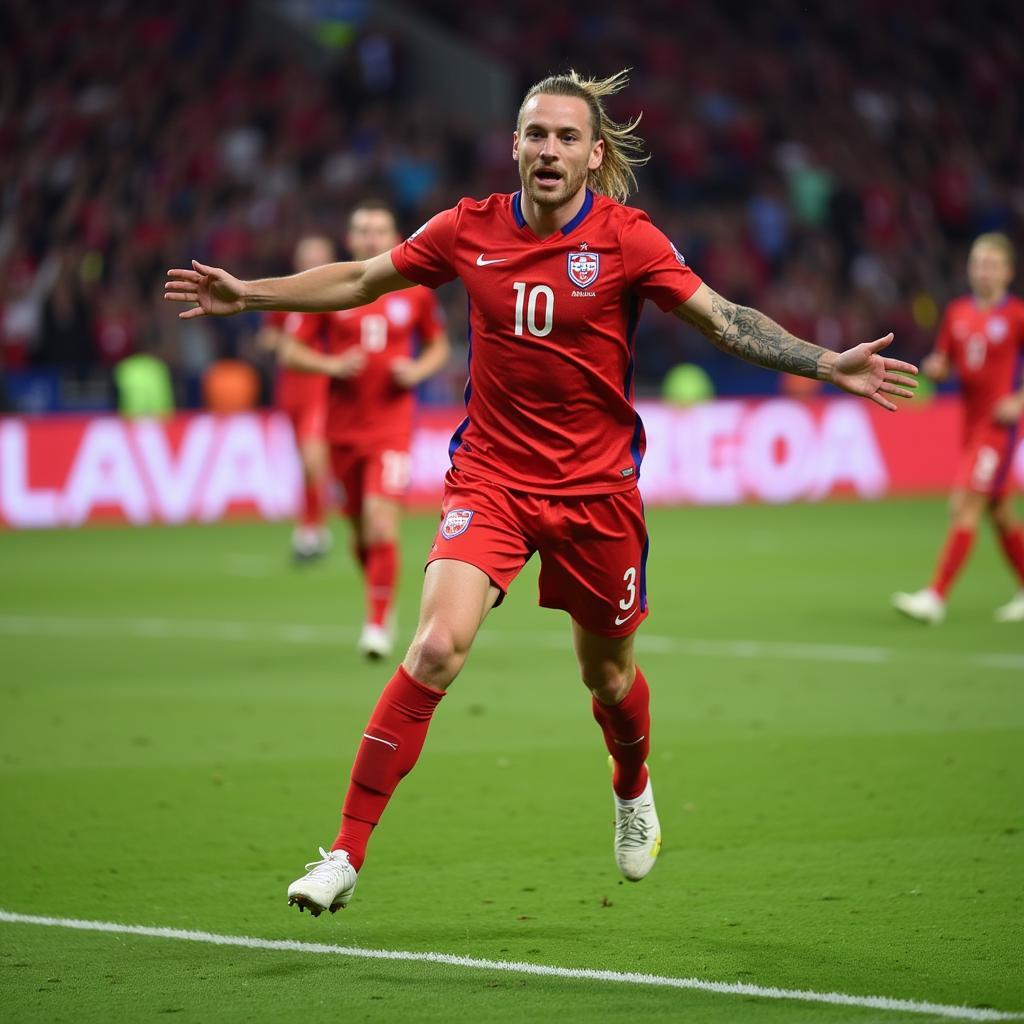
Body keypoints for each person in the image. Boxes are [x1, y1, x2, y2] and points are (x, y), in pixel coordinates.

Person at [166, 69, 918, 916]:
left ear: (595, 157)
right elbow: (363, 280)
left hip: (598, 494)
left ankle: (632, 787)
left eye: (566, 137)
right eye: (535, 134)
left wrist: (825, 362)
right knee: (436, 648)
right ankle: (344, 850)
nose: (548, 150)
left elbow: (724, 318)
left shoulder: (629, 240)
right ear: (515, 145)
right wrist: (250, 295)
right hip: (490, 478)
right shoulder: (467, 227)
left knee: (607, 677)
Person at [275, 201, 450, 657]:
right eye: (362, 231)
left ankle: (377, 622)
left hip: (391, 430)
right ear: (350, 240)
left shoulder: (415, 291)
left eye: (379, 230)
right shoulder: (332, 291)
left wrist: (416, 372)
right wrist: (330, 363)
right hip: (342, 431)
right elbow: (291, 352)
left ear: (394, 236)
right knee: (357, 530)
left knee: (379, 522)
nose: (371, 238)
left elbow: (438, 346)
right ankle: (379, 594)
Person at [892, 233, 1024, 624]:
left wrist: (1019, 401)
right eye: (978, 263)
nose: (983, 272)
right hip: (969, 426)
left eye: (992, 265)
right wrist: (937, 368)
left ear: (1008, 272)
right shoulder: (957, 313)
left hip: (998, 429)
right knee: (999, 512)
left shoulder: (1016, 315)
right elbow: (945, 361)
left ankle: (935, 597)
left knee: (964, 504)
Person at [257, 237, 333, 563]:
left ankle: (313, 528)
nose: (313, 264)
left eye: (319, 258)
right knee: (305, 461)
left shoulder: (336, 295)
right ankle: (312, 524)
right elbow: (267, 336)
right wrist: (281, 341)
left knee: (313, 456)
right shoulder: (286, 294)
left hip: (320, 384)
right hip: (290, 387)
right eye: (308, 258)